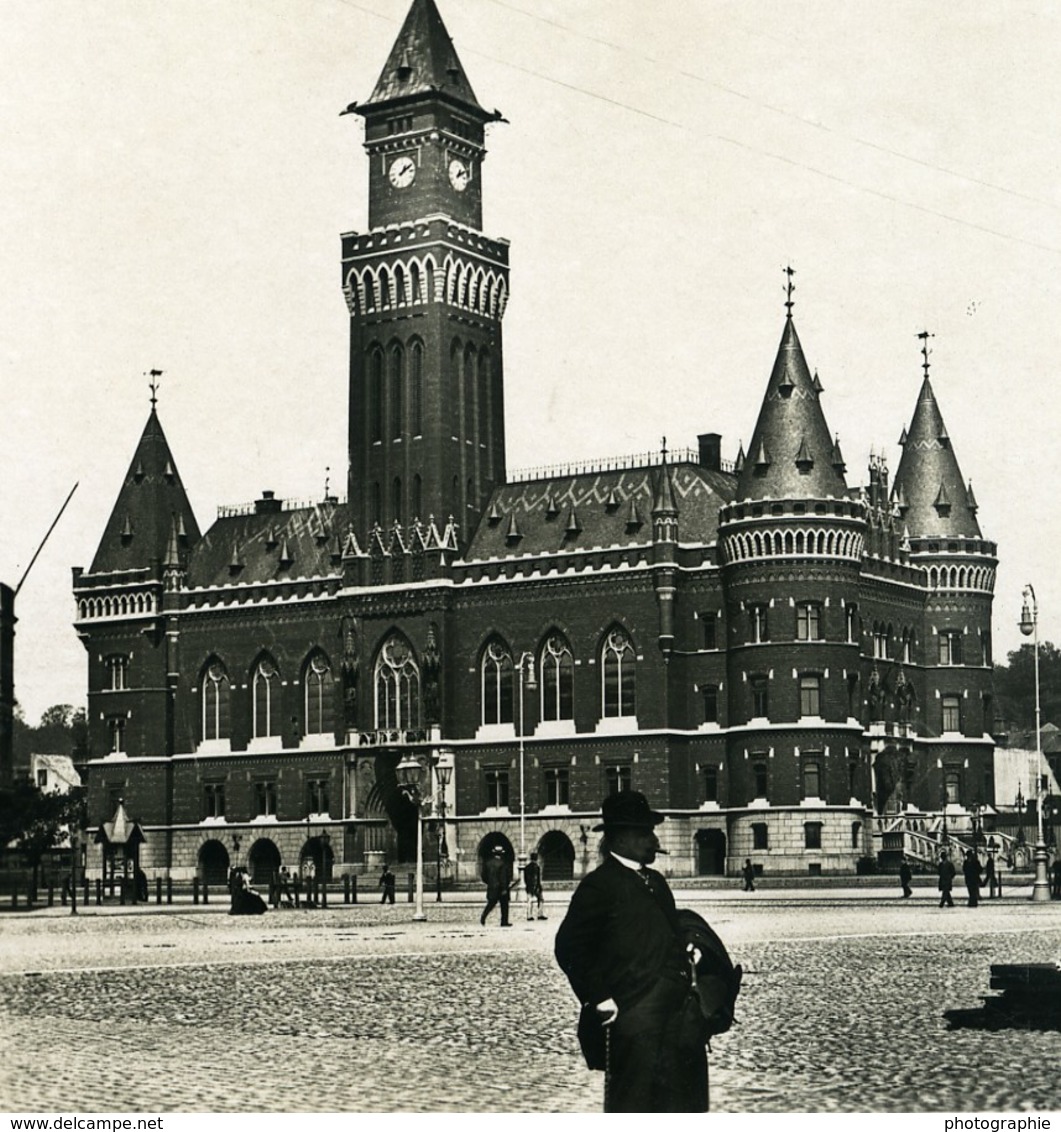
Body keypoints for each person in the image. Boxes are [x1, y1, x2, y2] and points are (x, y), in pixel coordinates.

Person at [555, 791, 709, 1112]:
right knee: (634, 1102)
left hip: (677, 1016)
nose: (653, 841)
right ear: (620, 839)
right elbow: (569, 946)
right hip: (633, 1014)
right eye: (644, 833)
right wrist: (598, 997)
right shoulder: (599, 885)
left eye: (651, 832)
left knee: (679, 1100)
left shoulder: (655, 881)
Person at [480, 844, 512, 927]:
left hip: (492, 887)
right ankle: (504, 921)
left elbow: (484, 876)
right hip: (501, 888)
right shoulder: (503, 863)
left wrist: (490, 883)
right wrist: (505, 887)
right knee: (504, 905)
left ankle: (483, 916)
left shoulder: (488, 863)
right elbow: (503, 877)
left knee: (490, 904)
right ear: (501, 854)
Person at [523, 852, 545, 921]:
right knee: (541, 899)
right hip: (535, 886)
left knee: (529, 901)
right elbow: (536, 878)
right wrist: (537, 887)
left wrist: (528, 885)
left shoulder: (527, 867)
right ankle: (539, 914)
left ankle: (529, 915)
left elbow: (525, 878)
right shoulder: (536, 867)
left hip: (529, 886)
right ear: (536, 858)